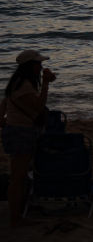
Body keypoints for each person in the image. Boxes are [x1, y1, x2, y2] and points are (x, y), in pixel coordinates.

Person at [2, 50, 55, 227]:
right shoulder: (24, 85)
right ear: (30, 66)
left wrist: (9, 124)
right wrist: (46, 84)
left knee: (19, 175)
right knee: (18, 177)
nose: (40, 67)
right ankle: (15, 218)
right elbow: (39, 107)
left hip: (15, 131)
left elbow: (1, 112)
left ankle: (18, 213)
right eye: (38, 64)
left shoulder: (15, 84)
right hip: (21, 133)